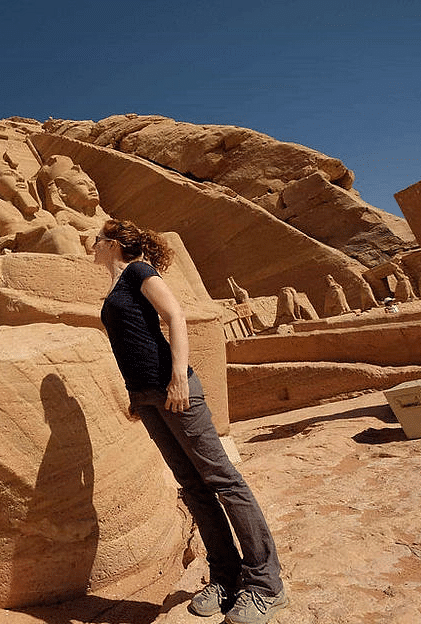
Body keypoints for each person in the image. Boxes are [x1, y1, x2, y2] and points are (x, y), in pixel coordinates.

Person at [92, 218, 288, 624]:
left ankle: (266, 584)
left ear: (112, 245)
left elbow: (176, 316)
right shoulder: (115, 286)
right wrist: (136, 397)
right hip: (147, 397)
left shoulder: (139, 272)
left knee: (224, 481)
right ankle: (225, 576)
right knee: (194, 488)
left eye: (96, 240)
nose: (90, 245)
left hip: (173, 389)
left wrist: (179, 376)